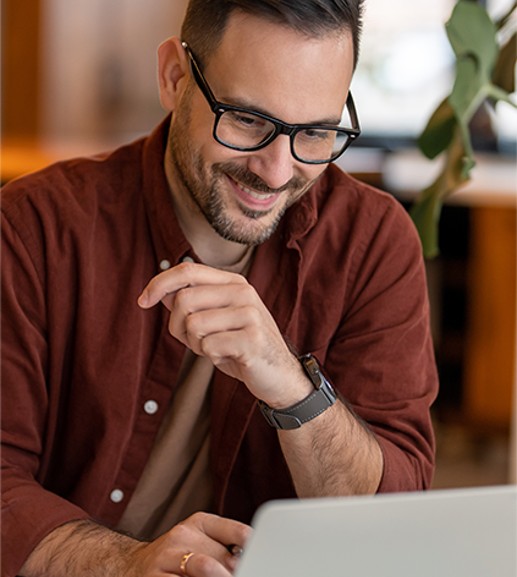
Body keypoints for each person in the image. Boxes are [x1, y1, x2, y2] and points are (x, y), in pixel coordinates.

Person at [1, 1, 438, 575]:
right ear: (173, 77)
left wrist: (291, 387)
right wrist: (125, 565)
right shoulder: (33, 229)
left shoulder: (372, 243)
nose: (278, 172)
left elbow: (396, 528)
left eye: (315, 132)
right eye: (248, 120)